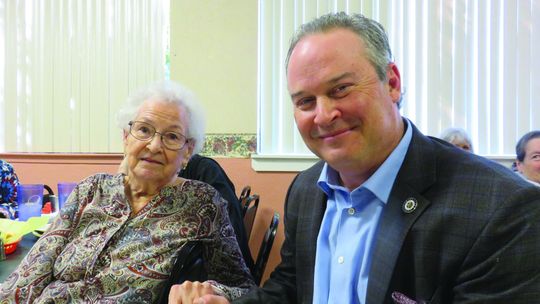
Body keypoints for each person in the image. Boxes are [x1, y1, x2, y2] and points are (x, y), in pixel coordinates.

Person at [181, 12, 540, 304]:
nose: (322, 115)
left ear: (392, 83)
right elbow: (291, 289)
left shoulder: (502, 211)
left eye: (340, 89)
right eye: (305, 101)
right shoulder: (307, 190)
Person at [0, 80, 254, 302]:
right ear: (126, 137)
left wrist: (209, 291)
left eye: (172, 136)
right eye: (143, 130)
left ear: (187, 151)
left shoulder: (202, 204)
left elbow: (243, 288)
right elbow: (29, 274)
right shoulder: (91, 189)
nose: (154, 145)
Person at [179, 154, 254, 270]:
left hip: (213, 274)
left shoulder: (204, 169)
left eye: (172, 137)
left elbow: (229, 224)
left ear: (189, 147)